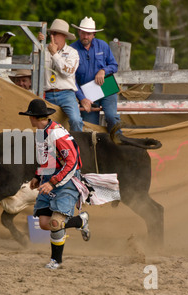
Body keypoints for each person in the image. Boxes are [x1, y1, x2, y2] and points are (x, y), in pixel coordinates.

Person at [19, 99, 90, 269]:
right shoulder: (43, 132)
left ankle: (55, 261)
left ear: (33, 117)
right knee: (45, 223)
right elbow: (47, 157)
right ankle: (80, 221)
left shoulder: (56, 134)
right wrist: (38, 175)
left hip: (66, 181)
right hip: (50, 178)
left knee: (56, 223)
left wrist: (53, 181)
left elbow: (72, 162)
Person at [70, 17, 121, 133]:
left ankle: (118, 142)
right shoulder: (72, 49)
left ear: (94, 34)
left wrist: (103, 70)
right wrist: (81, 98)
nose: (85, 36)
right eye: (83, 33)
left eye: (89, 34)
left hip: (106, 87)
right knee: (90, 127)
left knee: (112, 117)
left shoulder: (103, 46)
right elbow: (71, 78)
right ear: (79, 32)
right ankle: (95, 149)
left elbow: (114, 65)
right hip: (86, 93)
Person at [38, 19, 83, 132]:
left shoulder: (72, 52)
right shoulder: (43, 50)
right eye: (51, 33)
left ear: (64, 36)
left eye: (55, 34)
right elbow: (33, 64)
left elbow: (68, 72)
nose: (52, 36)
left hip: (67, 94)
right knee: (42, 123)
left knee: (76, 120)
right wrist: (37, 45)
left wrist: (54, 54)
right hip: (47, 94)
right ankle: (45, 148)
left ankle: (77, 148)